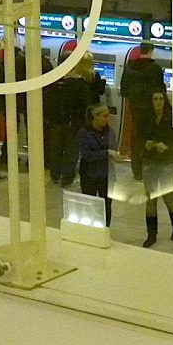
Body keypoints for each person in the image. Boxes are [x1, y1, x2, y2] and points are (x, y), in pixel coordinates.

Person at [137, 89, 173, 247]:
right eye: (155, 99)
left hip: (167, 162)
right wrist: (146, 144)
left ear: (165, 101)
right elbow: (139, 137)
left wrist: (167, 147)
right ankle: (151, 234)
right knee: (150, 199)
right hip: (149, 161)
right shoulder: (145, 118)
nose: (158, 102)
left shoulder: (171, 118)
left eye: (160, 99)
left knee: (168, 196)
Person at [119, 42, 165, 168]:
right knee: (149, 136)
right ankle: (147, 164)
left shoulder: (129, 67)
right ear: (151, 51)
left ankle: (136, 166)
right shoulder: (155, 68)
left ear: (140, 50)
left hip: (133, 106)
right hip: (150, 108)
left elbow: (123, 89)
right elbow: (160, 89)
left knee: (135, 135)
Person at [51, 55, 93, 186]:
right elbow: (86, 106)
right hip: (74, 123)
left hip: (57, 121)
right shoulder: (80, 84)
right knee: (71, 150)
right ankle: (67, 179)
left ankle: (55, 176)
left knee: (56, 149)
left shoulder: (55, 81)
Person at [76, 104, 118, 226]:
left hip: (106, 175)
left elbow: (113, 149)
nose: (107, 119)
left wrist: (116, 156)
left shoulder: (110, 131)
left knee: (107, 205)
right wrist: (106, 153)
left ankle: (105, 229)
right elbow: (87, 155)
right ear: (95, 116)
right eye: (104, 116)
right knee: (90, 204)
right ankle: (90, 229)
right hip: (89, 175)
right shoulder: (84, 133)